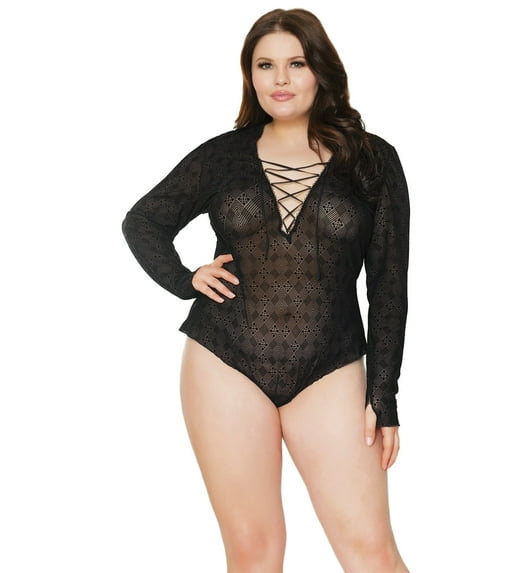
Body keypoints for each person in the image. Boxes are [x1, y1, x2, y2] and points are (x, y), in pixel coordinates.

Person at [122, 8, 410, 573]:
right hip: (224, 360)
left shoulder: (372, 159)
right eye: (265, 65)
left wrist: (384, 393)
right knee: (254, 553)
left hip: (330, 368)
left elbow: (389, 286)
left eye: (296, 64)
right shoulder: (221, 156)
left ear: (321, 70)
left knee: (371, 554)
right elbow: (144, 221)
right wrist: (185, 279)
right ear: (249, 74)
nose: (280, 79)